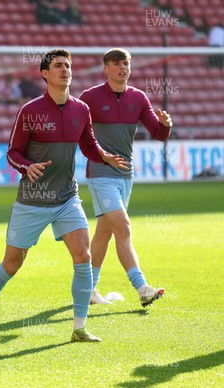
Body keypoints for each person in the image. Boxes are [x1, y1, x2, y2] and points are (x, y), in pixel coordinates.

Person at [0, 49, 128, 342]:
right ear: (45, 73)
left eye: (67, 65)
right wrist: (27, 166)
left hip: (67, 198)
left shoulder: (81, 109)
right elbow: (13, 152)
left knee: (83, 255)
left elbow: (88, 144)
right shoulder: (30, 111)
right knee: (12, 264)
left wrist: (105, 156)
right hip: (32, 200)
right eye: (58, 66)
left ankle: (79, 327)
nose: (65, 69)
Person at [79, 48, 172, 307]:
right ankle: (142, 288)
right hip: (100, 173)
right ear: (105, 68)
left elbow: (157, 133)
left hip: (125, 176)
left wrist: (166, 125)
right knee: (123, 227)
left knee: (105, 233)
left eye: (127, 64)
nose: (123, 68)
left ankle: (89, 288)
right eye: (117, 64)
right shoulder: (90, 98)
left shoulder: (139, 98)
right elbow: (76, 129)